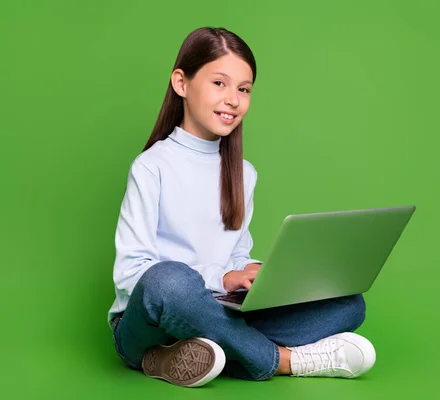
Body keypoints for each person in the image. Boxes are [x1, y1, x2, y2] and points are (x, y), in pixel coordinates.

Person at [107, 26, 376, 387]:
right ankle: (281, 361)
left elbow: (234, 256)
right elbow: (131, 273)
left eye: (244, 89)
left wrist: (262, 275)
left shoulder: (243, 174)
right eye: (220, 83)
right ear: (181, 83)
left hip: (215, 310)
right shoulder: (151, 167)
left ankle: (202, 353)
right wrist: (220, 278)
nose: (233, 99)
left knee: (349, 304)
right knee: (170, 281)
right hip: (146, 324)